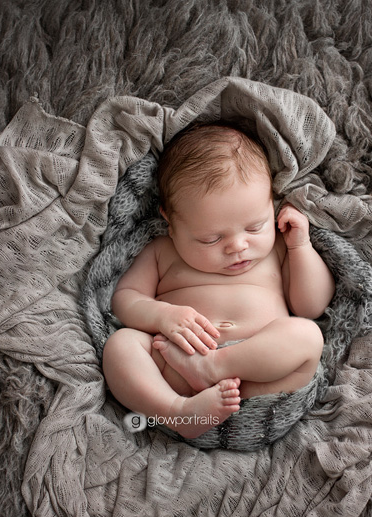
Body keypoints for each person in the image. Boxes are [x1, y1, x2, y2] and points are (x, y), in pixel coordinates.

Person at [102, 123, 335, 438]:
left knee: (307, 335)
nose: (238, 246)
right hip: (175, 366)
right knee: (121, 346)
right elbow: (124, 298)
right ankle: (177, 413)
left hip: (258, 379)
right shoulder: (161, 251)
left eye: (254, 227)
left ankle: (215, 366)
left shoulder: (278, 249)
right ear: (170, 224)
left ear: (273, 204)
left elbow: (311, 306)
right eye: (210, 239)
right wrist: (162, 314)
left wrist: (300, 246)